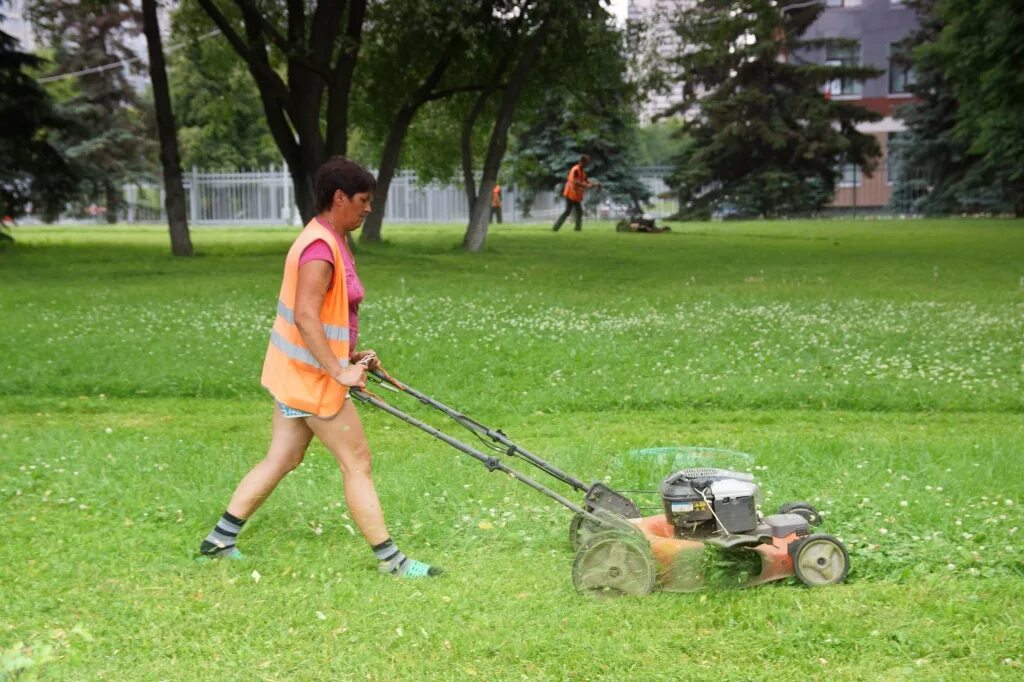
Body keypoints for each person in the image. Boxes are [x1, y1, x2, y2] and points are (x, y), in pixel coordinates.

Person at [197, 156, 440, 578]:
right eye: (363, 201)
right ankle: (392, 562)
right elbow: (306, 316)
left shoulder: (327, 238)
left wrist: (350, 355)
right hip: (311, 380)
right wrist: (339, 371)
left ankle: (220, 538)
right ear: (339, 197)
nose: (368, 209)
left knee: (283, 456)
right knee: (357, 461)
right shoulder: (319, 249)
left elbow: (324, 318)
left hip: (299, 373)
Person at [552, 154, 596, 232]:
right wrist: (587, 185)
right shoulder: (575, 170)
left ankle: (576, 229)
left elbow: (586, 180)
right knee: (568, 211)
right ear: (583, 162)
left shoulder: (582, 171)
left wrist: (594, 184)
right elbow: (576, 182)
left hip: (575, 195)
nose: (587, 165)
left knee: (578, 212)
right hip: (570, 194)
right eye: (587, 163)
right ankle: (556, 228)